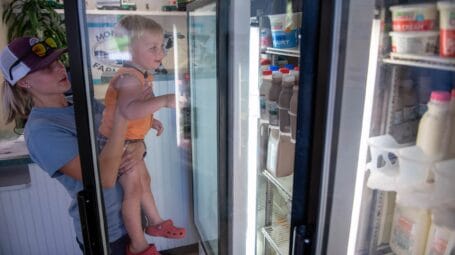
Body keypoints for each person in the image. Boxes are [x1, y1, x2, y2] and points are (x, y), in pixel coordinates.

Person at [0, 37, 154, 255]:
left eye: (57, 60)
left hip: (133, 217)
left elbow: (127, 136)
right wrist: (122, 114)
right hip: (107, 233)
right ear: (24, 82)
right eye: (46, 68)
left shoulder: (83, 104)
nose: (59, 68)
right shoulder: (41, 131)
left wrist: (140, 146)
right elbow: (104, 178)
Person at [98, 15, 185, 255]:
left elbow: (135, 110)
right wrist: (165, 101)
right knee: (134, 190)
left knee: (144, 182)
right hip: (120, 144)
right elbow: (128, 110)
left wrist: (149, 120)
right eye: (153, 47)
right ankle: (138, 244)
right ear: (128, 50)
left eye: (162, 47)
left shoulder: (141, 73)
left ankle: (157, 223)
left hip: (131, 140)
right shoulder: (128, 78)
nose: (161, 53)